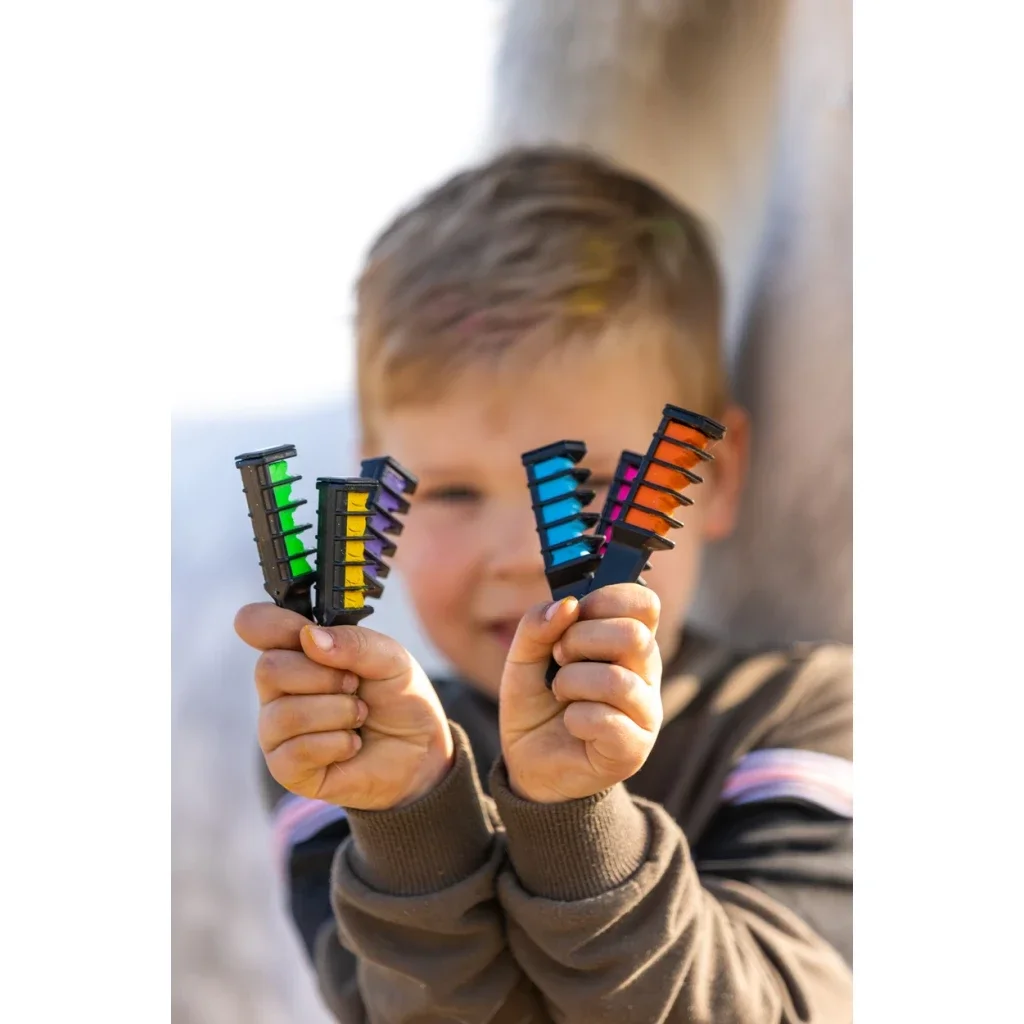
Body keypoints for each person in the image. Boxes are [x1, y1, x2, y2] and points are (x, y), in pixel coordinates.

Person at [234, 146, 853, 1023]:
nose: (520, 555)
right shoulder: (340, 749)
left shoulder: (811, 719)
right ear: (372, 496)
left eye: (583, 484)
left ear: (711, 475)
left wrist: (580, 822)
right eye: (451, 492)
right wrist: (407, 819)